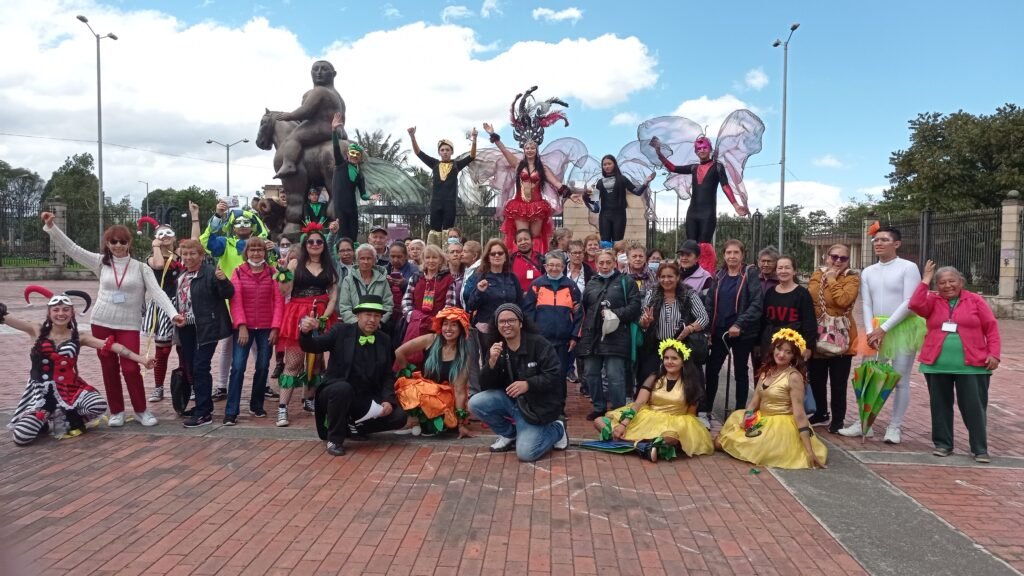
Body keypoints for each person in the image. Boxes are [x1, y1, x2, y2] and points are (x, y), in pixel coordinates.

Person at [42, 212, 182, 427]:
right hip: (102, 322)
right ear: (107, 243)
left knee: (130, 368)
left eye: (122, 242)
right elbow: (72, 249)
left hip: (128, 325)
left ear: (129, 243)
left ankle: (141, 410)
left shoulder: (140, 267)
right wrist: (52, 227)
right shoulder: (100, 263)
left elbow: (157, 293)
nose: (118, 245)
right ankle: (116, 410)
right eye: (113, 241)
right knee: (108, 368)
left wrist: (173, 314)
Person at [3, 290, 152, 444]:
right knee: (22, 437)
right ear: (49, 313)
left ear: (72, 312)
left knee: (97, 405)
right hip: (40, 395)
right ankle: (44, 420)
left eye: (65, 310)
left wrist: (141, 359)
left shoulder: (79, 337)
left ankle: (68, 417)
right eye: (56, 310)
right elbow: (8, 318)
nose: (61, 314)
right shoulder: (37, 330)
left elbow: (114, 347)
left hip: (69, 389)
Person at [838, 226, 924, 443]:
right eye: (876, 240)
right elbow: (866, 302)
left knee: (900, 379)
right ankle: (864, 423)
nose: (878, 243)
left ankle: (894, 426)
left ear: (897, 244)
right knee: (869, 377)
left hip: (901, 328)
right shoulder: (868, 271)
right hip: (874, 329)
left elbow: (909, 302)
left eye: (884, 240)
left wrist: (884, 329)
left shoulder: (908, 267)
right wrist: (870, 331)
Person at [911, 261, 1001, 463]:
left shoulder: (975, 300)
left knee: (974, 408)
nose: (947, 285)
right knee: (940, 406)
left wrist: (994, 354)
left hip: (972, 366)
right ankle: (943, 445)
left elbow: (991, 328)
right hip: (937, 364)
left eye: (952, 281)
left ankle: (979, 449)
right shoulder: (933, 301)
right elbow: (915, 305)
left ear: (961, 282)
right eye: (941, 282)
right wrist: (925, 279)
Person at [300, 294, 407, 456]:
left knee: (399, 417)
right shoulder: (340, 331)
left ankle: (352, 425)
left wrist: (387, 400)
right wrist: (305, 332)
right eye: (368, 315)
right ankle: (334, 440)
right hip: (335, 392)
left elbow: (387, 375)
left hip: (364, 398)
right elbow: (313, 346)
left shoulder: (384, 340)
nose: (372, 319)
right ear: (358, 315)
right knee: (343, 388)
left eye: (376, 316)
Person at [716, 329, 828, 469]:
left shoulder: (794, 377)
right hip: (761, 418)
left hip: (780, 425)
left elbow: (799, 414)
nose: (781, 355)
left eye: (788, 352)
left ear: (794, 356)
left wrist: (809, 451)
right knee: (721, 442)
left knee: (738, 446)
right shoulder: (766, 370)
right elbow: (754, 402)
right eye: (779, 349)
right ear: (773, 348)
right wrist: (747, 417)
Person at [469, 303, 568, 461]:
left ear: (521, 323)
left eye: (511, 320)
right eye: (501, 321)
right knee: (475, 403)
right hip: (513, 403)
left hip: (537, 408)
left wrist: (528, 384)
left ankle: (557, 429)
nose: (506, 325)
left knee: (526, 453)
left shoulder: (539, 344)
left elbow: (555, 375)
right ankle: (510, 434)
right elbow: (486, 386)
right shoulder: (497, 347)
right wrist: (492, 363)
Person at [592, 339, 713, 461]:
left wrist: (686, 433)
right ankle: (644, 445)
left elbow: (690, 416)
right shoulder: (654, 377)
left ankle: (633, 442)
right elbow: (639, 402)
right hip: (647, 418)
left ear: (683, 362)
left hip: (674, 423)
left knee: (671, 438)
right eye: (666, 358)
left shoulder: (691, 384)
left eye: (674, 358)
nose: (669, 362)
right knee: (599, 421)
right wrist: (623, 424)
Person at [200, 200, 272, 401]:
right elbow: (205, 242)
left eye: (246, 222)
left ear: (253, 225)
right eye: (238, 222)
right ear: (232, 226)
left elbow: (271, 270)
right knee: (228, 345)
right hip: (231, 303)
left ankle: (263, 384)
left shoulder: (260, 245)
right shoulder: (225, 243)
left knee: (259, 346)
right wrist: (217, 216)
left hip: (257, 304)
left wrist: (272, 251)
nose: (242, 225)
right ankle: (222, 386)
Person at [275, 225, 339, 427]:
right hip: (297, 314)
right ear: (305, 245)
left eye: (319, 241)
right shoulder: (295, 263)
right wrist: (283, 272)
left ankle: (309, 399)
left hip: (320, 314)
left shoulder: (329, 268)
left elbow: (333, 297)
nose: (314, 245)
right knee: (293, 363)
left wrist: (324, 318)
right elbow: (284, 291)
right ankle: (283, 407)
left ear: (323, 245)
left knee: (317, 363)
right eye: (310, 241)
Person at [482, 122, 575, 255]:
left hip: (537, 206)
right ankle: (517, 262)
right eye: (527, 148)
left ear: (536, 150)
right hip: (519, 206)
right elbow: (504, 151)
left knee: (535, 237)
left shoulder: (542, 168)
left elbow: (556, 183)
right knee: (522, 236)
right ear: (524, 150)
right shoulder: (518, 164)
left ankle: (535, 262)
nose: (530, 150)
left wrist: (570, 194)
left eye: (532, 148)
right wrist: (493, 135)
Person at [175, 239, 235, 428]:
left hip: (206, 327)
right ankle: (202, 404)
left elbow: (228, 293)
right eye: (185, 254)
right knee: (192, 367)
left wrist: (223, 279)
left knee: (201, 367)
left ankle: (204, 413)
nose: (188, 257)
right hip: (186, 328)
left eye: (193, 253)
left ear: (201, 255)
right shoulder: (182, 274)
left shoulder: (210, 272)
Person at [577, 249, 642, 421]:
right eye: (601, 263)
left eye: (608, 262)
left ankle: (618, 409)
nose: (604, 266)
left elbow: (635, 307)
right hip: (592, 335)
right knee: (591, 373)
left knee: (615, 375)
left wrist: (616, 313)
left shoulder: (626, 281)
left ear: (614, 262)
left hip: (616, 335)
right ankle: (598, 406)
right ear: (596, 264)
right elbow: (584, 308)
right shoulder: (591, 283)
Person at [702, 240, 762, 427]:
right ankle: (706, 410)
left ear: (742, 255)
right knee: (712, 370)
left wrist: (739, 324)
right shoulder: (719, 276)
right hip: (720, 330)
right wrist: (708, 329)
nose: (732, 256)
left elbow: (756, 304)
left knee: (740, 371)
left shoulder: (750, 274)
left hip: (742, 332)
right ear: (724, 255)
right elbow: (710, 303)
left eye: (736, 252)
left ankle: (739, 412)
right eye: (728, 252)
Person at [649, 135, 749, 244]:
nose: (702, 150)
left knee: (704, 246)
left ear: (710, 149)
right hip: (692, 213)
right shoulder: (694, 168)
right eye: (699, 149)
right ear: (696, 152)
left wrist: (736, 205)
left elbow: (725, 186)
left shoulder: (718, 167)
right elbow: (672, 168)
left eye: (704, 147)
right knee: (691, 247)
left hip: (708, 214)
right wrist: (659, 153)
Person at [226, 241, 284, 424]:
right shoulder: (238, 272)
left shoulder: (273, 272)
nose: (256, 253)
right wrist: (241, 325)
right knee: (238, 367)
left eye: (259, 249)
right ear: (247, 252)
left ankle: (256, 404)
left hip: (266, 327)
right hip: (245, 328)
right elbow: (235, 301)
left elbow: (279, 301)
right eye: (253, 249)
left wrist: (275, 327)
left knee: (263, 367)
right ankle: (231, 410)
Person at [393, 306, 473, 438]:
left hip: (445, 400)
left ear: (461, 329)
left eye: (453, 325)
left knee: (438, 425)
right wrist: (407, 377)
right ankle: (414, 421)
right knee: (407, 386)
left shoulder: (464, 355)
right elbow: (399, 352)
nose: (448, 329)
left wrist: (461, 424)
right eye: (445, 324)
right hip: (424, 392)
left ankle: (424, 423)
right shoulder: (431, 339)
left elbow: (459, 391)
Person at [806, 244, 859, 433]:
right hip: (819, 333)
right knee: (817, 379)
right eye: (834, 256)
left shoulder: (852, 277)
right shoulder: (817, 274)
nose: (837, 261)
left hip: (841, 336)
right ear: (826, 257)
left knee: (838, 382)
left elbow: (844, 300)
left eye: (843, 258)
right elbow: (812, 297)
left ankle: (838, 419)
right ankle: (821, 413)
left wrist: (831, 280)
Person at [139, 215, 190, 403]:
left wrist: (194, 219)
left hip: (182, 304)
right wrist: (156, 245)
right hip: (161, 305)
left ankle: (187, 384)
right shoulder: (152, 258)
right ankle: (158, 387)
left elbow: (195, 242)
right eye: (161, 234)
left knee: (184, 348)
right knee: (163, 350)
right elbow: (160, 265)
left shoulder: (180, 255)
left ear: (175, 236)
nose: (165, 236)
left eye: (169, 233)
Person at [522, 251, 583, 405]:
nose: (554, 268)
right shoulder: (537, 285)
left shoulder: (571, 286)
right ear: (545, 266)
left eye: (558, 265)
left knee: (560, 373)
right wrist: (532, 334)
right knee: (541, 371)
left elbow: (579, 314)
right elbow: (528, 312)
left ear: (563, 266)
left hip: (563, 340)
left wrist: (574, 336)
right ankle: (541, 403)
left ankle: (559, 406)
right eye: (551, 265)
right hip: (541, 339)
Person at [463, 239, 524, 395]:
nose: (497, 256)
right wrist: (479, 291)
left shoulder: (512, 278)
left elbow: (519, 304)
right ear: (488, 257)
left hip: (510, 327)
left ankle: (509, 394)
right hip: (487, 329)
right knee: (490, 361)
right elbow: (471, 305)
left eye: (500, 253)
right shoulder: (480, 276)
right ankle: (488, 395)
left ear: (505, 256)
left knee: (511, 360)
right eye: (493, 253)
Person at [273, 60, 347, 178]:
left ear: (333, 74)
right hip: (339, 131)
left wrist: (289, 116)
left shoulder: (319, 91)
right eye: (315, 69)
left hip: (323, 127)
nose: (319, 72)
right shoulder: (337, 95)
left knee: (293, 137)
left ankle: (289, 164)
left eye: (324, 69)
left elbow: (306, 111)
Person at [638, 262, 709, 381]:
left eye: (670, 276)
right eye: (663, 277)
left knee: (689, 381)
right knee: (647, 378)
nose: (666, 280)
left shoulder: (689, 294)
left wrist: (689, 329)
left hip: (683, 345)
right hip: (656, 346)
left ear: (677, 277)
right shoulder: (652, 293)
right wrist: (646, 321)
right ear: (658, 278)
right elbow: (642, 323)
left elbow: (704, 318)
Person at [408, 126, 478, 246]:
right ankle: (433, 254)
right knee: (435, 230)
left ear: (452, 152)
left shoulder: (456, 164)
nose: (445, 152)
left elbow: (472, 156)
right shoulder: (434, 164)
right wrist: (412, 136)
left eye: (447, 149)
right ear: (439, 152)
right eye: (442, 150)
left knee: (448, 230)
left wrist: (475, 138)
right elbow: (418, 153)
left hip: (450, 202)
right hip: (436, 202)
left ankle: (449, 254)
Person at [584, 155, 655, 243]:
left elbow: (638, 192)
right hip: (604, 216)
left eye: (609, 164)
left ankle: (617, 256)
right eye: (604, 164)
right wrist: (586, 196)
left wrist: (645, 183)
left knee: (618, 242)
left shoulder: (622, 179)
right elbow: (595, 205)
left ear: (614, 165)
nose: (607, 166)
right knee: (605, 242)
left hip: (619, 215)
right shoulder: (599, 183)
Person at [760, 256, 817, 361]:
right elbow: (763, 320)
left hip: (794, 345)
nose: (783, 271)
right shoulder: (770, 293)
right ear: (776, 271)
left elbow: (809, 322)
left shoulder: (802, 294)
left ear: (794, 271)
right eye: (780, 268)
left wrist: (808, 347)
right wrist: (757, 343)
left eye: (787, 268)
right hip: (770, 344)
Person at [400, 244, 455, 344]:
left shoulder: (448, 279)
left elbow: (450, 305)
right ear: (423, 260)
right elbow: (406, 300)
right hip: (416, 325)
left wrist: (436, 322)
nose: (431, 261)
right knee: (414, 356)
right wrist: (413, 316)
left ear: (440, 260)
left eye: (434, 257)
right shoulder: (416, 278)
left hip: (437, 327)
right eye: (427, 257)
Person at [329, 112, 369, 241]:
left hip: (352, 208)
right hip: (340, 207)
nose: (355, 156)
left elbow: (363, 194)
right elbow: (335, 149)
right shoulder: (341, 164)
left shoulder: (359, 174)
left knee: (353, 234)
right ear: (347, 154)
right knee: (342, 235)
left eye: (358, 154)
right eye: (352, 153)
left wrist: (371, 196)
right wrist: (334, 130)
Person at [338, 244, 394, 324]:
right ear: (357, 260)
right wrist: (358, 324)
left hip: (377, 326)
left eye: (369, 258)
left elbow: (388, 305)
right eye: (362, 258)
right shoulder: (348, 280)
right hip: (354, 327)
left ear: (374, 260)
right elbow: (345, 307)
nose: (365, 261)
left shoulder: (382, 280)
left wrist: (378, 322)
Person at [445, 241, 468, 308]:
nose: (455, 254)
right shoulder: (441, 276)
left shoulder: (468, 275)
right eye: (452, 252)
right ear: (447, 256)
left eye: (458, 252)